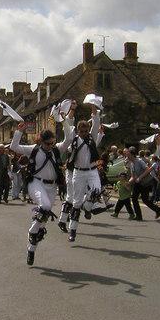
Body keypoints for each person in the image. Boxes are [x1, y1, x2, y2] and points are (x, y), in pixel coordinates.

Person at [10, 105, 74, 266]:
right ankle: (32, 231)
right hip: (36, 184)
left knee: (42, 223)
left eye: (53, 143)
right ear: (41, 141)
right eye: (48, 144)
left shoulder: (57, 150)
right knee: (44, 206)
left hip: (52, 187)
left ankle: (31, 249)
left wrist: (64, 121)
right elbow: (14, 147)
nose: (51, 146)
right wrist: (19, 131)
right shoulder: (34, 150)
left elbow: (69, 139)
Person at [59, 104, 105, 242]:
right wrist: (65, 118)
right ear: (78, 131)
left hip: (92, 171)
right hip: (77, 173)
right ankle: (73, 230)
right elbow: (68, 127)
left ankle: (88, 206)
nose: (85, 133)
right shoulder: (73, 139)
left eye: (86, 131)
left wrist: (93, 107)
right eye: (82, 131)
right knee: (76, 202)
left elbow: (96, 122)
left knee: (96, 190)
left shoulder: (92, 138)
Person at [124, 146, 160, 221]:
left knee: (145, 200)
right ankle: (139, 216)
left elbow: (148, 170)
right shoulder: (131, 164)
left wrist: (140, 177)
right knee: (134, 198)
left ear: (132, 154)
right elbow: (133, 176)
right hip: (138, 183)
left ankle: (157, 209)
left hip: (145, 183)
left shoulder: (139, 161)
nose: (126, 156)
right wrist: (128, 182)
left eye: (128, 154)